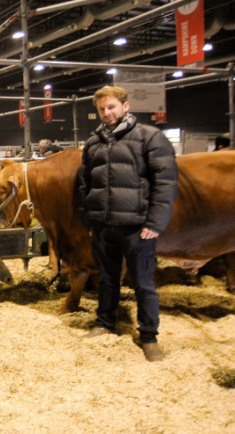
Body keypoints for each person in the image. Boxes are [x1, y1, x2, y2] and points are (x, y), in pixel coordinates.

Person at [77, 85, 178, 362]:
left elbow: (166, 182)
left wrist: (155, 222)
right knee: (107, 279)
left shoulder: (150, 137)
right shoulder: (94, 141)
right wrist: (90, 219)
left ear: (125, 106)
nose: (106, 113)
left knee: (143, 282)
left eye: (111, 107)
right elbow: (84, 183)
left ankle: (149, 336)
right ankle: (104, 323)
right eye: (101, 109)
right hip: (103, 225)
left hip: (137, 227)